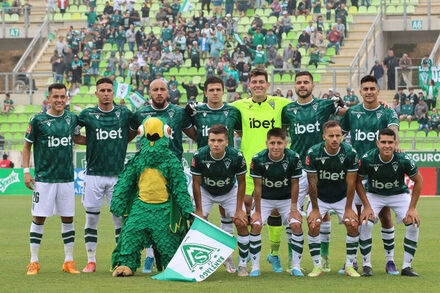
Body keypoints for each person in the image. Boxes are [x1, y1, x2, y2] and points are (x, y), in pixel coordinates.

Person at [282, 71, 347, 273]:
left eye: (306, 82)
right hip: (297, 169)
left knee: (323, 213)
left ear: (312, 85)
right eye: (299, 82)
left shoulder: (324, 105)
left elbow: (347, 113)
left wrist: (345, 105)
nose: (302, 85)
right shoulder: (288, 109)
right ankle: (294, 259)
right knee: (291, 212)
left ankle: (324, 258)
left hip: (322, 167)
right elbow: (282, 131)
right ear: (295, 86)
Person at [231, 69, 292, 273]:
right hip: (249, 166)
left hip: (275, 166)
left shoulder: (280, 103)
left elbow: (307, 105)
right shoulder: (239, 106)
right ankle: (248, 252)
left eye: (261, 82)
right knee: (247, 208)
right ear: (248, 85)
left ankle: (273, 255)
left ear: (267, 85)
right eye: (254, 82)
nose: (258, 85)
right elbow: (217, 109)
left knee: (274, 210)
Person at [341, 75, 401, 275]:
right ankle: (354, 261)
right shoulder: (352, 112)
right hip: (358, 171)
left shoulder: (386, 111)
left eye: (372, 88)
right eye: (365, 88)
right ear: (360, 91)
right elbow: (340, 133)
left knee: (384, 214)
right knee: (358, 218)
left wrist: (396, 143)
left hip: (380, 170)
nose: (368, 92)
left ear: (378, 91)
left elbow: (393, 130)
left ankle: (390, 261)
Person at [75, 78, 136, 273]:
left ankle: (120, 259)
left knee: (119, 219)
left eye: (109, 90)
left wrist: (122, 141)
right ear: (96, 93)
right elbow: (74, 134)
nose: (106, 93)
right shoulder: (87, 114)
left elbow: (136, 129)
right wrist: (91, 141)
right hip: (93, 175)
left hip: (117, 175)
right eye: (102, 90)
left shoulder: (124, 113)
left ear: (114, 92)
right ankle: (91, 260)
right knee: (91, 218)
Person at [23, 83, 81, 275]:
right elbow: (26, 146)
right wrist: (25, 171)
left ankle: (69, 261)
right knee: (39, 217)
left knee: (68, 218)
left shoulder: (72, 118)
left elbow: (78, 138)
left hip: (65, 178)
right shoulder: (38, 120)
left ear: (66, 98)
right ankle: (33, 261)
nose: (59, 100)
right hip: (44, 178)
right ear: (49, 98)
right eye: (55, 96)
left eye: (62, 97)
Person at [357, 128, 422, 277]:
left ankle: (407, 267)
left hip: (398, 194)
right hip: (374, 194)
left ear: (396, 143)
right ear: (378, 143)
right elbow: (357, 182)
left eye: (390, 142)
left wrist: (412, 208)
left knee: (413, 223)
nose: (387, 145)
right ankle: (367, 265)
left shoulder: (403, 159)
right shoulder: (367, 158)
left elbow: (419, 180)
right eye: (384, 142)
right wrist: (366, 206)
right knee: (366, 222)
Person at [300, 120, 361, 277]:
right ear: (324, 137)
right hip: (320, 197)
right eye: (331, 136)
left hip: (342, 197)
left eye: (338, 135)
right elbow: (312, 183)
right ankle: (317, 266)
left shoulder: (350, 153)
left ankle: (349, 266)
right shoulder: (313, 153)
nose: (335, 139)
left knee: (353, 224)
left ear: (342, 136)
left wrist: (348, 208)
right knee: (313, 225)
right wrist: (314, 209)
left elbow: (351, 182)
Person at [191, 124, 248, 276]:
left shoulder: (237, 156)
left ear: (227, 141)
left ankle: (242, 264)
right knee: (197, 221)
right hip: (206, 191)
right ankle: (198, 264)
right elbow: (196, 183)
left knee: (241, 221)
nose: (216, 144)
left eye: (220, 140)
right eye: (213, 140)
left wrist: (239, 209)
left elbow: (242, 182)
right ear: (208, 141)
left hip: (229, 191)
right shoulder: (199, 156)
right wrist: (199, 210)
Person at [247, 128, 302, 277]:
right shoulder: (258, 159)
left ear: (285, 143)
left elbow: (295, 184)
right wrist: (257, 212)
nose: (276, 146)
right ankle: (255, 267)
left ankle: (296, 267)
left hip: (286, 199)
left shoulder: (294, 157)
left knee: (296, 225)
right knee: (256, 225)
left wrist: (294, 208)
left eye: (279, 143)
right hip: (265, 199)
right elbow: (257, 186)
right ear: (267, 143)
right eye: (272, 143)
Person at [131, 79, 196, 162]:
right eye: (155, 90)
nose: (159, 93)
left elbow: (195, 136)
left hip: (174, 169)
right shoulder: (140, 114)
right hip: (148, 169)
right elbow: (126, 140)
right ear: (149, 92)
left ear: (167, 92)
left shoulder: (179, 113)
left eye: (162, 89)